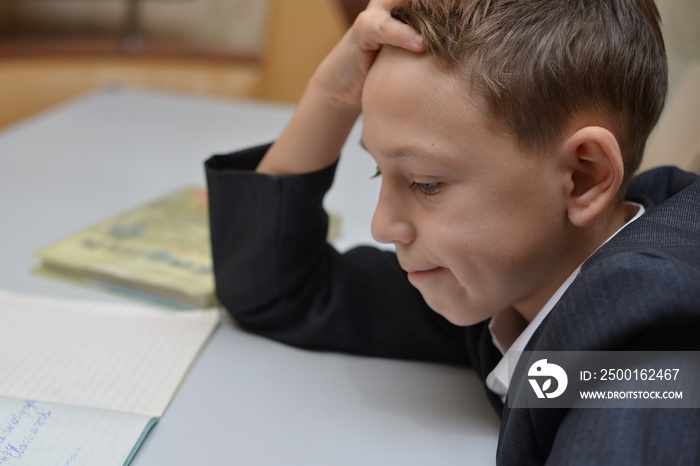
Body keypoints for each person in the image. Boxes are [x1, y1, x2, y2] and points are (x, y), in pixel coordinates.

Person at [205, 0, 700, 463]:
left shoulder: (642, 383)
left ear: (583, 176)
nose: (382, 226)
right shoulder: (516, 280)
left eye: (426, 183)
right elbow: (278, 288)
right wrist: (331, 95)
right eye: (380, 172)